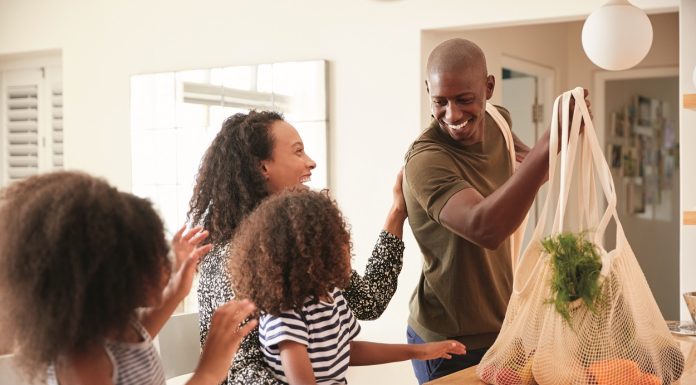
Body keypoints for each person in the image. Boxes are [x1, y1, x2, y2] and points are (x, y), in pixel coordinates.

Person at [402, 38, 590, 383]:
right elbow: (485, 228)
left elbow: (533, 168)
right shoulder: (426, 159)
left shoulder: (498, 122)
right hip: (448, 340)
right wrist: (551, 141)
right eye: (439, 101)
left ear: (488, 87)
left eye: (464, 100)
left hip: (503, 325)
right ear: (427, 90)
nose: (452, 114)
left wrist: (562, 140)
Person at [188, 110, 408, 385]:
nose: (311, 162)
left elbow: (368, 302)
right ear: (262, 167)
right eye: (298, 152)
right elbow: (241, 370)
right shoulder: (228, 257)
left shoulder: (297, 245)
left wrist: (397, 214)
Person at [0, 171, 257, 385]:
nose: (164, 265)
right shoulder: (82, 361)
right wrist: (209, 371)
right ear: (105, 277)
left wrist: (178, 287)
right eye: (149, 259)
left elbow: (146, 327)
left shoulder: (123, 327)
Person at [229, 189, 466, 385]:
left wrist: (420, 351)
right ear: (308, 256)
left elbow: (345, 350)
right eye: (336, 242)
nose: (346, 247)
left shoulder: (331, 295)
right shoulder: (286, 315)